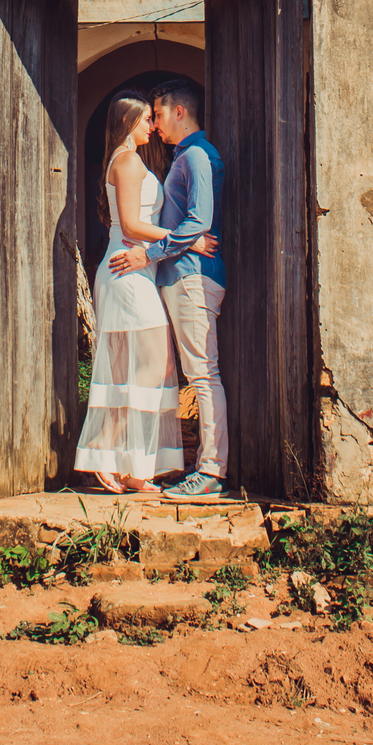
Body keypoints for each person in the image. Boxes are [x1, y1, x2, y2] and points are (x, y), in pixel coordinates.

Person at [109, 77, 227, 498]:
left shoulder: (195, 155)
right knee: (192, 372)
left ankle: (210, 473)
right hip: (180, 275)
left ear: (180, 112)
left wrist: (149, 254)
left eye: (158, 114)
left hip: (192, 274)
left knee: (202, 374)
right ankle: (192, 468)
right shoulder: (184, 156)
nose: (154, 123)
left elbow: (199, 222)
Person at [73, 92, 184, 494]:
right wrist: (184, 238)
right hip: (126, 272)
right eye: (144, 121)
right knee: (150, 365)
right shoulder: (129, 161)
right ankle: (110, 453)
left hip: (133, 271)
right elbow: (134, 226)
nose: (151, 126)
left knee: (138, 370)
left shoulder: (126, 161)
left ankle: (129, 466)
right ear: (127, 124)